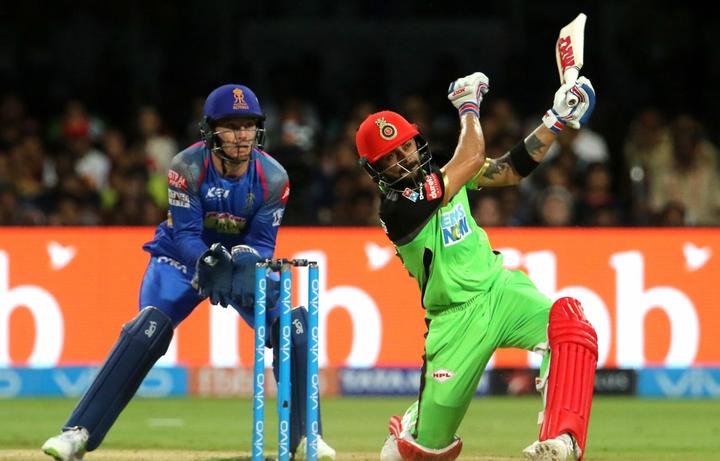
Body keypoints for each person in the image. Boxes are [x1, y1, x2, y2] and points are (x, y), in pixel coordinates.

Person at [41, 84, 336, 461]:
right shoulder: (187, 167)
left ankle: (308, 437)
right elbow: (185, 235)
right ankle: (77, 434)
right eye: (231, 127)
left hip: (240, 261)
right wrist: (208, 260)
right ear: (211, 131)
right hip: (182, 260)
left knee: (293, 325)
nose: (242, 135)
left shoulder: (274, 177)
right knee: (147, 329)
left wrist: (249, 263)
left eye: (248, 126)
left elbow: (263, 242)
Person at [355, 72, 598, 461]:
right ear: (376, 170)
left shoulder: (443, 173)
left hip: (499, 290)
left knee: (570, 324)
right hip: (454, 321)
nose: (404, 160)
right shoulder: (397, 209)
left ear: (418, 143)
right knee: (425, 451)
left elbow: (510, 169)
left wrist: (555, 120)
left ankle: (561, 440)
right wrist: (468, 106)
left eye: (406, 148)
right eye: (390, 158)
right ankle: (413, 425)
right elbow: (469, 158)